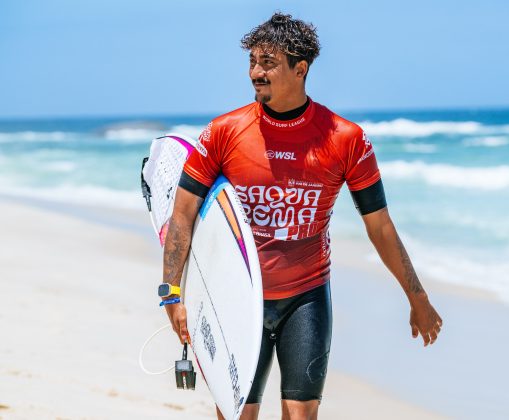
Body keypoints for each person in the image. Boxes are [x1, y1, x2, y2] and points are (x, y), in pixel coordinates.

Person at [161, 12, 442, 420]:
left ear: (301, 68)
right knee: (237, 414)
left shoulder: (345, 139)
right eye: (252, 61)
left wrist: (417, 297)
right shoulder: (224, 132)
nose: (256, 72)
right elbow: (183, 213)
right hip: (237, 294)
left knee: (300, 416)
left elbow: (379, 226)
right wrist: (171, 294)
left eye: (268, 62)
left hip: (305, 298)